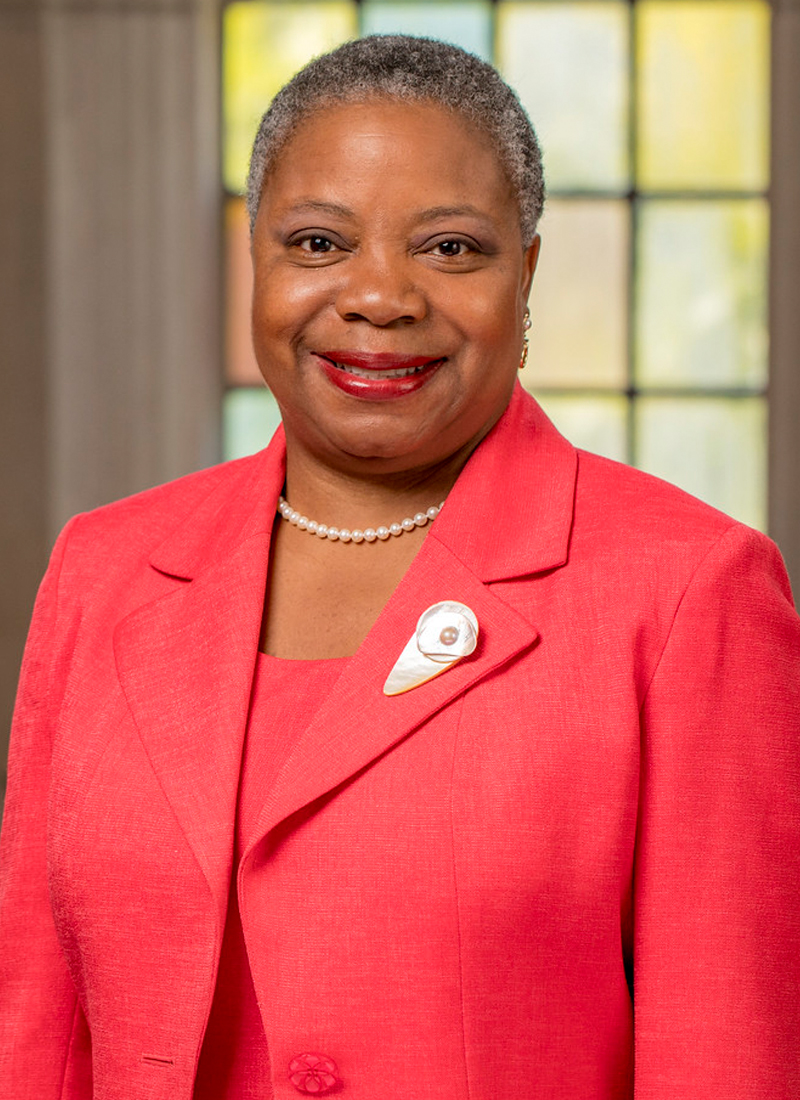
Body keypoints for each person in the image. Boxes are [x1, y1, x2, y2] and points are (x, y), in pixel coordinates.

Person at [1, 33, 798, 1100]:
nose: (379, 297)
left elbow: (724, 1059)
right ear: (257, 261)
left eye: (451, 249)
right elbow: (37, 1035)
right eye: (318, 242)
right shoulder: (104, 572)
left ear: (526, 273)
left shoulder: (689, 591)